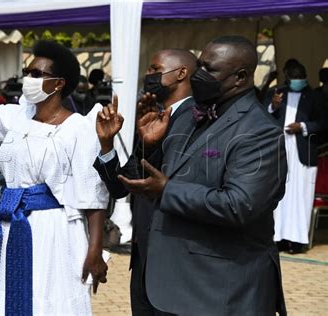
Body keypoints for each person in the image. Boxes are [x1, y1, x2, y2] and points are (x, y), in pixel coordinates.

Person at [0, 15, 109, 315]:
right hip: (9, 223)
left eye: (37, 73)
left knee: (48, 299)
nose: (29, 78)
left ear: (59, 83)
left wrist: (95, 249)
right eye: (27, 71)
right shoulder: (17, 117)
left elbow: (94, 194)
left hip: (53, 228)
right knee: (8, 296)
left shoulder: (78, 127)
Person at [117, 36, 288, 315]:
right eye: (199, 66)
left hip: (220, 291)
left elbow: (239, 205)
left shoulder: (260, 131)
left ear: (240, 77)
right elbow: (145, 179)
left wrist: (167, 191)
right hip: (170, 284)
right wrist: (148, 146)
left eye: (209, 69)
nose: (199, 75)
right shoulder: (187, 117)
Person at [93, 49, 197, 315]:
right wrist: (107, 143)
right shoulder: (153, 118)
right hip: (144, 258)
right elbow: (122, 185)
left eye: (154, 69)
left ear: (181, 73)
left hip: (176, 256)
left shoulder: (197, 120)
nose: (147, 75)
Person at [265, 61, 323, 253]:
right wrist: (273, 107)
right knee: (281, 194)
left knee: (302, 195)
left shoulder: (315, 96)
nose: (297, 81)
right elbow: (263, 115)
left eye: (300, 77)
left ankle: (297, 241)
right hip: (281, 148)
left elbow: (324, 122)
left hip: (303, 150)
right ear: (287, 78)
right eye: (294, 77)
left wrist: (303, 127)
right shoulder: (278, 93)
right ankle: (279, 238)